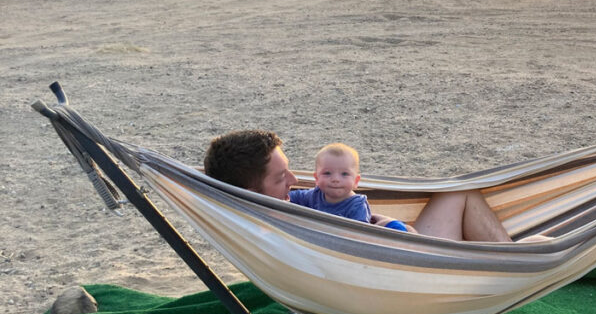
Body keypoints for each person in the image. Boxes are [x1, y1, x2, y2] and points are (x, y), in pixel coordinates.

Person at [203, 129, 515, 242]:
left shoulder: (261, 214)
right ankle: (515, 265)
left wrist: (378, 219)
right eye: (280, 177)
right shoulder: (280, 228)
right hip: (420, 270)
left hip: (410, 254)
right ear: (249, 191)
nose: (295, 180)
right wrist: (388, 224)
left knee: (461, 191)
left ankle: (512, 260)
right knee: (535, 245)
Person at [289, 143, 408, 231]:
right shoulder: (314, 194)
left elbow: (359, 235)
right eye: (327, 173)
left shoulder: (357, 205)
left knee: (403, 232)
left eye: (344, 174)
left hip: (384, 234)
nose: (335, 179)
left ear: (356, 181)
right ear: (317, 179)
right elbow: (287, 198)